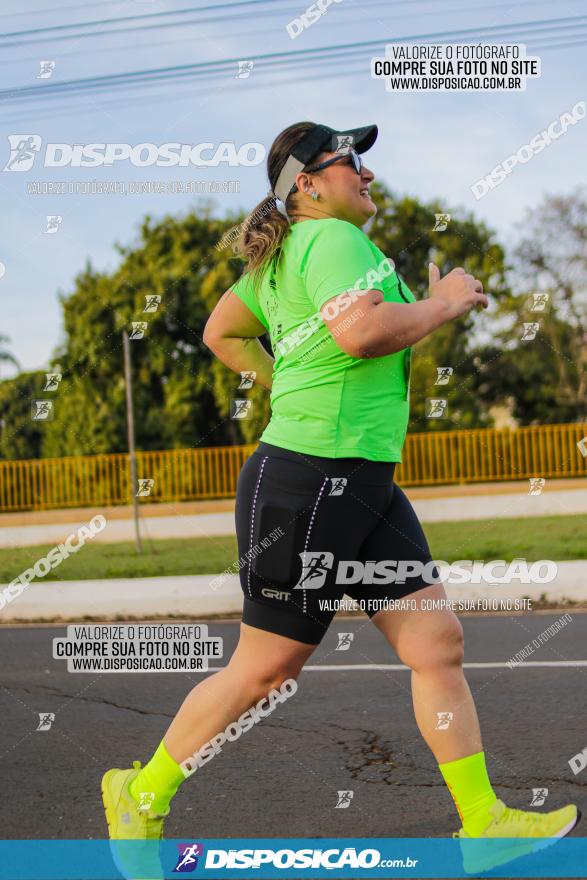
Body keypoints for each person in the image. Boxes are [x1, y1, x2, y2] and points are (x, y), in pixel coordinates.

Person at [101, 121, 580, 870]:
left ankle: (482, 822)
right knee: (265, 668)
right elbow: (359, 334)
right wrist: (446, 302)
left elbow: (223, 331)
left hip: (360, 479)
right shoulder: (331, 241)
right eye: (350, 161)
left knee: (435, 642)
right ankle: (140, 794)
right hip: (312, 475)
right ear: (308, 183)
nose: (366, 174)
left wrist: (284, 376)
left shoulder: (286, 254)